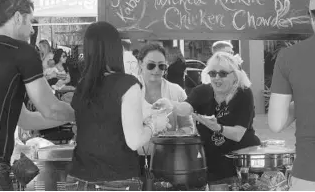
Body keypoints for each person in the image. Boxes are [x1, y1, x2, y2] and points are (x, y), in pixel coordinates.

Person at [66, 22, 170, 191]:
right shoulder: (127, 84)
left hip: (77, 179)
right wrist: (154, 125)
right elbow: (134, 141)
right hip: (116, 179)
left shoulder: (83, 85)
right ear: (116, 48)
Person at [0, 0, 74, 190]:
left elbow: (24, 118)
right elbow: (50, 108)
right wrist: (82, 113)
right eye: (31, 22)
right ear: (17, 17)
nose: (32, 30)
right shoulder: (22, 51)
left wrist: (69, 118)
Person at [153, 52, 261, 181]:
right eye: (212, 73)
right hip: (213, 163)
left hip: (241, 165)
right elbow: (186, 108)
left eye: (223, 73)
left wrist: (217, 127)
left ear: (235, 76)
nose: (216, 78)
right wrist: (170, 104)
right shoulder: (202, 91)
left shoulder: (243, 93)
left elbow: (238, 134)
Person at [268, 0, 315, 191]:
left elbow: (275, 123)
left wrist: (304, 101)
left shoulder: (289, 57)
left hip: (310, 174)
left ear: (311, 17)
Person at [136, 44, 194, 176]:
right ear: (140, 63)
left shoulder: (176, 91)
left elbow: (189, 128)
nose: (156, 70)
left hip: (168, 160)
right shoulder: (129, 90)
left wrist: (170, 135)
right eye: (151, 65)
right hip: (132, 160)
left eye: (161, 66)